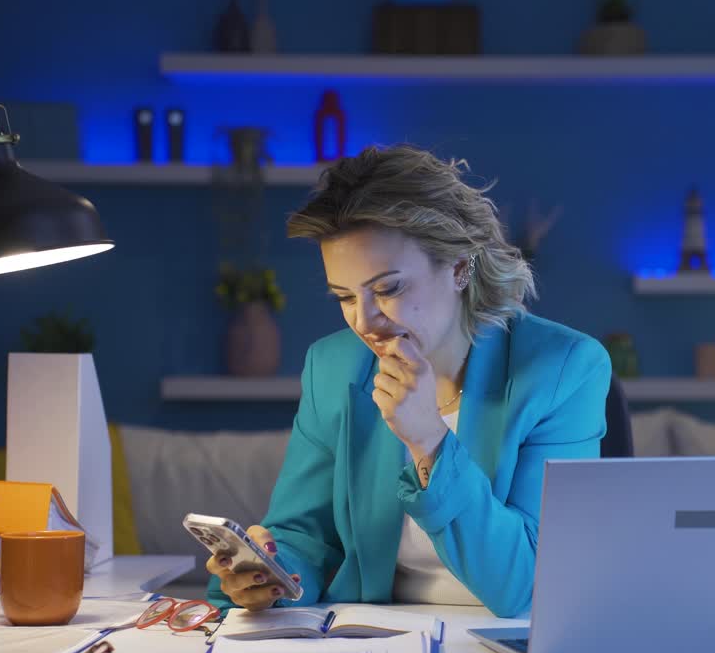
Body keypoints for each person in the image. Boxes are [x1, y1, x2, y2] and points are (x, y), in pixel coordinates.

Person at [206, 144, 610, 618]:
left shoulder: (564, 368)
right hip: (375, 638)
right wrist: (272, 573)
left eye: (388, 288)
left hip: (506, 639)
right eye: (345, 297)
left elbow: (524, 583)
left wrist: (429, 442)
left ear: (459, 267)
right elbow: (305, 538)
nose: (364, 322)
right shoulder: (332, 367)